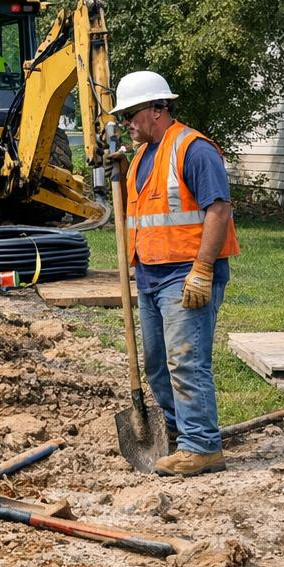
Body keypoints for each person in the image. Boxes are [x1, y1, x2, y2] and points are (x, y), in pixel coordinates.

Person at [111, 70, 240, 477]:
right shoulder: (141, 157)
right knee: (156, 364)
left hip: (186, 273)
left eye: (131, 114)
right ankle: (177, 432)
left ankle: (201, 446)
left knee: (186, 361)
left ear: (158, 109)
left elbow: (218, 209)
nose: (126, 123)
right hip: (151, 276)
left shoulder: (193, 149)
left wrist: (202, 269)